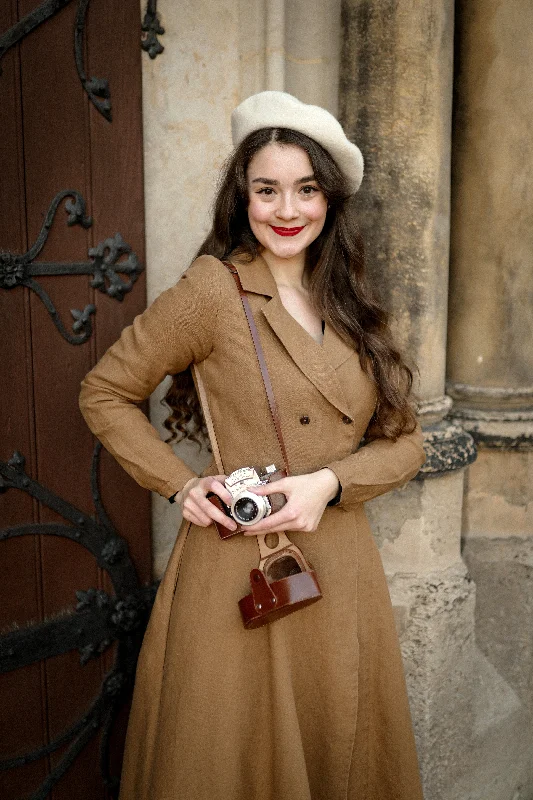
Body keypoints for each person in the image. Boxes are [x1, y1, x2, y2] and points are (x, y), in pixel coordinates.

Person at [79, 91, 426, 800]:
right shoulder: (214, 290)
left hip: (340, 562)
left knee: (338, 747)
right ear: (243, 197)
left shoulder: (349, 302)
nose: (286, 209)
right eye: (266, 190)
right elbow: (104, 392)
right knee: (230, 762)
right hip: (244, 567)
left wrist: (326, 485)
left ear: (329, 200)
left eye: (305, 189)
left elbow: (405, 443)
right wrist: (181, 485)